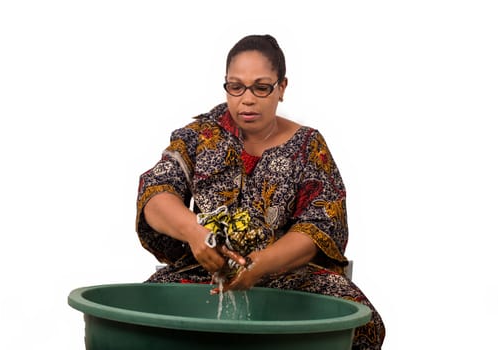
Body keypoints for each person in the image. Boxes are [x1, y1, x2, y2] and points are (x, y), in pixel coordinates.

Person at [136, 34, 385, 349]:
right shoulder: (200, 136)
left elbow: (319, 226)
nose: (247, 99)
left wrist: (258, 266)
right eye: (235, 86)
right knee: (140, 320)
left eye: (261, 87)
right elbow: (157, 192)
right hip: (208, 271)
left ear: (281, 88)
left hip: (290, 278)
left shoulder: (308, 146)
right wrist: (195, 233)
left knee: (363, 323)